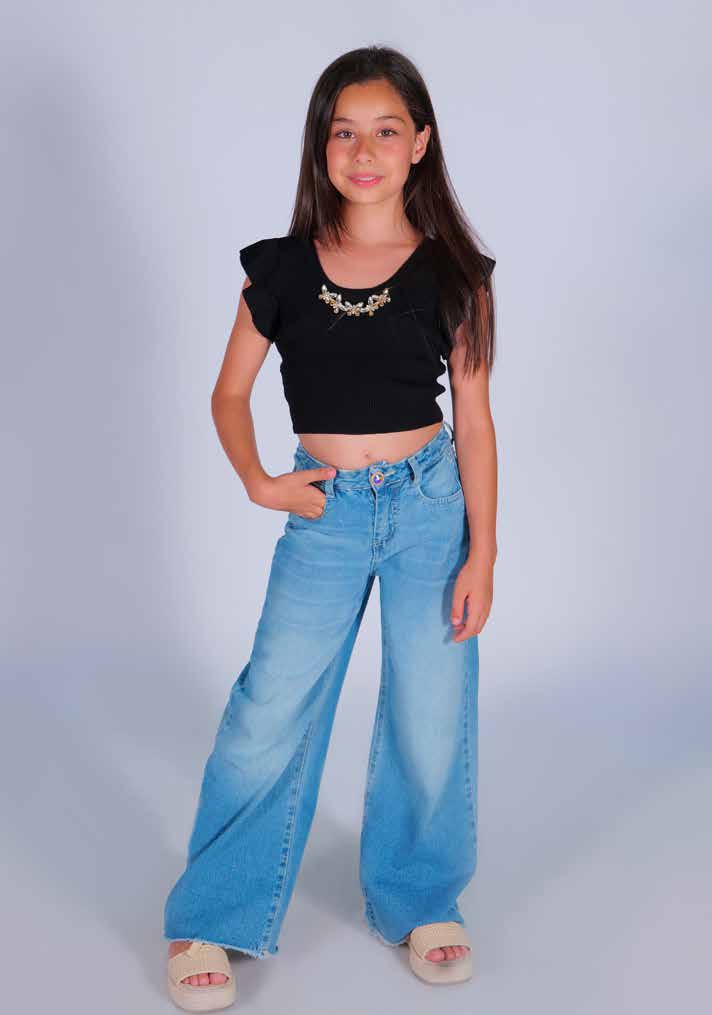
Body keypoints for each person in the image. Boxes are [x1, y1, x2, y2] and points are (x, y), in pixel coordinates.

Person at [164, 44, 498, 1011]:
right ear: (321, 147)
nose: (364, 151)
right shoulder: (278, 270)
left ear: (420, 144)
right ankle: (213, 910)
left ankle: (421, 895)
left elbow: (475, 421)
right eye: (344, 132)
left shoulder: (456, 274)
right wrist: (260, 483)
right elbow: (229, 394)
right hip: (326, 511)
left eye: (386, 131)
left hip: (430, 506)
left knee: (430, 709)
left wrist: (483, 549)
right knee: (269, 705)